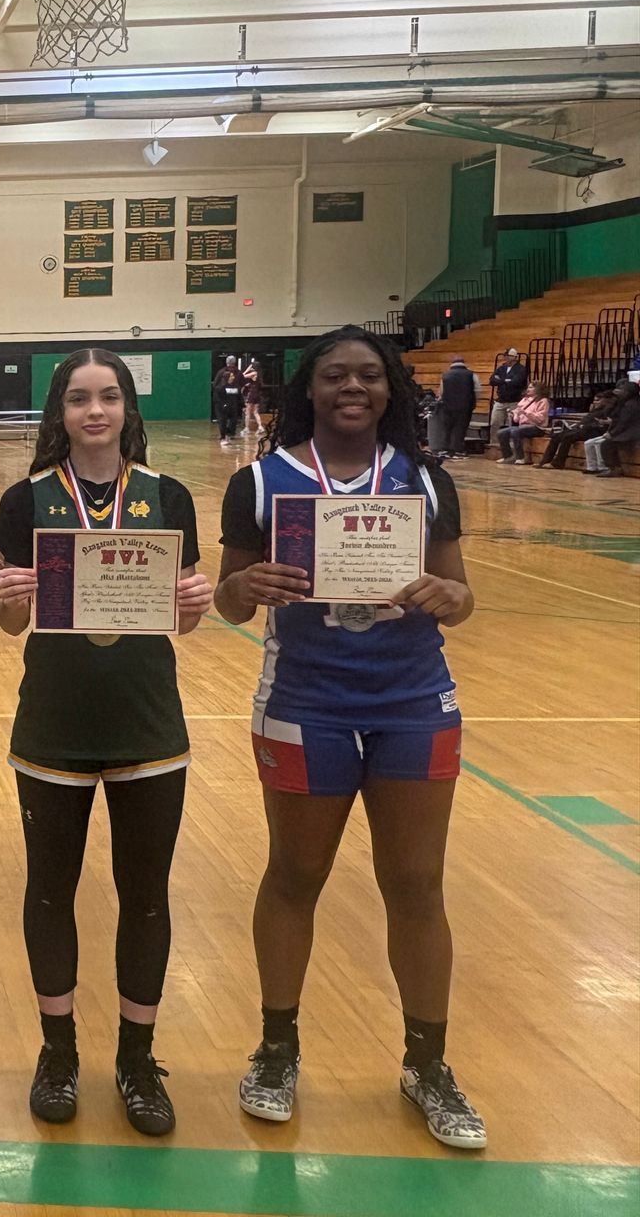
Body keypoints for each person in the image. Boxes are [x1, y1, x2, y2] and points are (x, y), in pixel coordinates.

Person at [215, 324, 485, 1150]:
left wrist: (445, 593)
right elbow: (228, 600)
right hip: (307, 699)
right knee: (296, 874)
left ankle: (427, 1063)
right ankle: (276, 1048)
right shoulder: (261, 482)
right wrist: (244, 583)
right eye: (336, 376)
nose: (353, 388)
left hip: (412, 699)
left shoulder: (427, 481)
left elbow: (463, 595)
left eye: (370, 375)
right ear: (311, 387)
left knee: (416, 883)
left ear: (392, 387)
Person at [0, 350, 214, 1136]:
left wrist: (197, 600)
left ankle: (137, 1058)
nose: (95, 411)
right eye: (80, 398)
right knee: (50, 890)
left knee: (145, 896)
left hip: (149, 724)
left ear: (127, 409)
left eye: (109, 397)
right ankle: (58, 1051)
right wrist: (8, 597)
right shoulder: (25, 501)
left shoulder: (167, 495)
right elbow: (11, 622)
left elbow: (182, 620)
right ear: (60, 411)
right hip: (51, 723)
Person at [540, 386, 621, 469]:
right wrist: (579, 425)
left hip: (594, 431)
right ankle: (544, 461)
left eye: (599, 400)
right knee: (556, 436)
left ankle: (558, 463)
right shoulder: (597, 409)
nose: (596, 402)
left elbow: (601, 424)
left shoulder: (610, 410)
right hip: (583, 429)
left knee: (567, 437)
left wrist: (586, 425)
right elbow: (587, 419)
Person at [583, 381, 640, 478]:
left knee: (606, 444)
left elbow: (623, 422)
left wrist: (612, 433)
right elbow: (616, 417)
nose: (619, 393)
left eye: (622, 390)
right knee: (604, 442)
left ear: (628, 392)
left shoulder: (630, 405)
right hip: (628, 432)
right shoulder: (627, 403)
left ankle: (614, 468)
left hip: (632, 435)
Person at [496, 383, 551, 466]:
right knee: (501, 432)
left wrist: (526, 412)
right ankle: (508, 456)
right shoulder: (525, 400)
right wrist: (514, 414)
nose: (528, 389)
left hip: (537, 427)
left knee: (515, 431)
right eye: (528, 387)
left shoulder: (543, 401)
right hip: (523, 426)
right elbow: (517, 419)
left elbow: (540, 419)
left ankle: (520, 457)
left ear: (538, 389)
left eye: (531, 387)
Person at [486, 348, 529, 454]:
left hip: (514, 401)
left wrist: (501, 380)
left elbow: (517, 382)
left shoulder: (521, 369)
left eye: (508, 356)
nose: (506, 358)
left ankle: (513, 448)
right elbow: (492, 380)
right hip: (500, 400)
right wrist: (505, 381)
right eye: (505, 356)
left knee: (513, 425)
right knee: (495, 423)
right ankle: (494, 445)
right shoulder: (501, 368)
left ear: (514, 357)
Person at [435, 356, 476, 460]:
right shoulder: (471, 374)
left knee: (447, 428)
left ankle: (445, 449)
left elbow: (441, 392)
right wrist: (474, 403)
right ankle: (458, 450)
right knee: (460, 428)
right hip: (465, 405)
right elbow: (477, 390)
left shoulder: (445, 375)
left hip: (448, 406)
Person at [213, 359, 244, 449]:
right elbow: (217, 388)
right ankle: (224, 437)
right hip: (221, 402)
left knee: (233, 419)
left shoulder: (238, 373)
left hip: (231, 401)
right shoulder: (222, 376)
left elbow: (241, 386)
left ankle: (228, 435)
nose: (233, 377)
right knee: (222, 420)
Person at [242, 361, 264, 436]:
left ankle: (246, 428)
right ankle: (260, 427)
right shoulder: (259, 374)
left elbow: (242, 376)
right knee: (255, 412)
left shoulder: (254, 373)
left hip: (252, 394)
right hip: (257, 394)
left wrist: (247, 370)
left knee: (247, 412)